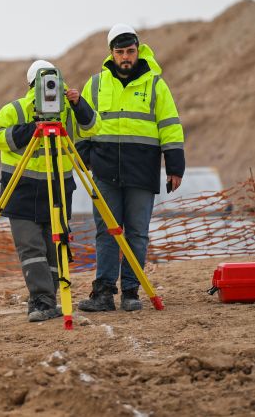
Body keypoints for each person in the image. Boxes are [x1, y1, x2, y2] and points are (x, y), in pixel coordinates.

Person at [76, 24, 185, 313]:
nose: (126, 57)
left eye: (130, 51)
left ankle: (131, 292)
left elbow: (170, 127)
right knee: (107, 232)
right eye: (120, 52)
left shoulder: (155, 84)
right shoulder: (95, 84)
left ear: (138, 51)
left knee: (137, 233)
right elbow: (83, 124)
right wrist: (86, 157)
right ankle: (103, 294)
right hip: (105, 170)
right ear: (111, 53)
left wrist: (175, 166)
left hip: (142, 171)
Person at [0, 59, 100, 322]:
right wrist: (31, 129)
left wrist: (78, 104)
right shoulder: (16, 109)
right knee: (31, 248)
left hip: (58, 188)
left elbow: (94, 128)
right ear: (31, 85)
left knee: (54, 247)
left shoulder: (67, 109)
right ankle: (39, 300)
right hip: (21, 189)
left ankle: (48, 300)